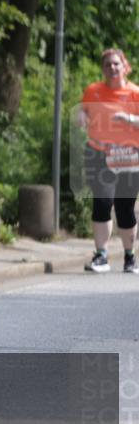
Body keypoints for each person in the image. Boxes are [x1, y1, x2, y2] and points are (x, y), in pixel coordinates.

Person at [77, 48, 139, 273]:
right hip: (99, 153)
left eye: (116, 64)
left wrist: (130, 119)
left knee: (125, 208)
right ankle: (101, 255)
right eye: (107, 65)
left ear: (125, 66)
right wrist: (81, 117)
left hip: (129, 156)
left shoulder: (135, 93)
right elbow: (83, 111)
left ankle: (130, 257)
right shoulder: (93, 91)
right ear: (103, 69)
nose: (112, 68)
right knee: (102, 201)